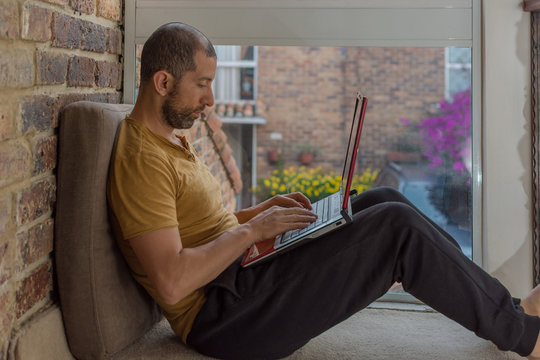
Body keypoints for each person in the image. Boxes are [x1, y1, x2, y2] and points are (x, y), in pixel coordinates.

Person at [107, 22, 540, 360]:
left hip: (239, 278)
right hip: (224, 317)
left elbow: (198, 230)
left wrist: (261, 214)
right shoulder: (142, 161)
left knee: (380, 200)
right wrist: (254, 229)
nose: (211, 99)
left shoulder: (170, 138)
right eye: (201, 84)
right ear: (163, 83)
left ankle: (503, 307)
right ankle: (522, 333)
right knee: (396, 227)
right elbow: (170, 281)